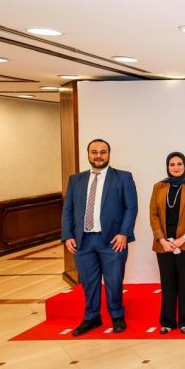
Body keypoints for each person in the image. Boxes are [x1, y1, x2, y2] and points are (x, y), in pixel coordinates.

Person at [61, 139, 138, 336]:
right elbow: (68, 210)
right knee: (89, 282)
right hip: (82, 241)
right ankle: (92, 317)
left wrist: (124, 233)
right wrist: (68, 235)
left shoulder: (123, 177)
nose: (98, 156)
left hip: (113, 241)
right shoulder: (75, 180)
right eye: (94, 152)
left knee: (114, 281)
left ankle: (117, 316)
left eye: (103, 152)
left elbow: (131, 207)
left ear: (109, 154)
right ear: (88, 154)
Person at [149, 152, 185, 334]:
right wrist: (162, 239)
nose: (176, 167)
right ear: (167, 166)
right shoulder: (159, 186)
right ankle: (167, 321)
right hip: (164, 244)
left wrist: (184, 238)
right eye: (172, 164)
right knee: (167, 284)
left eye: (179, 164)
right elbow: (153, 215)